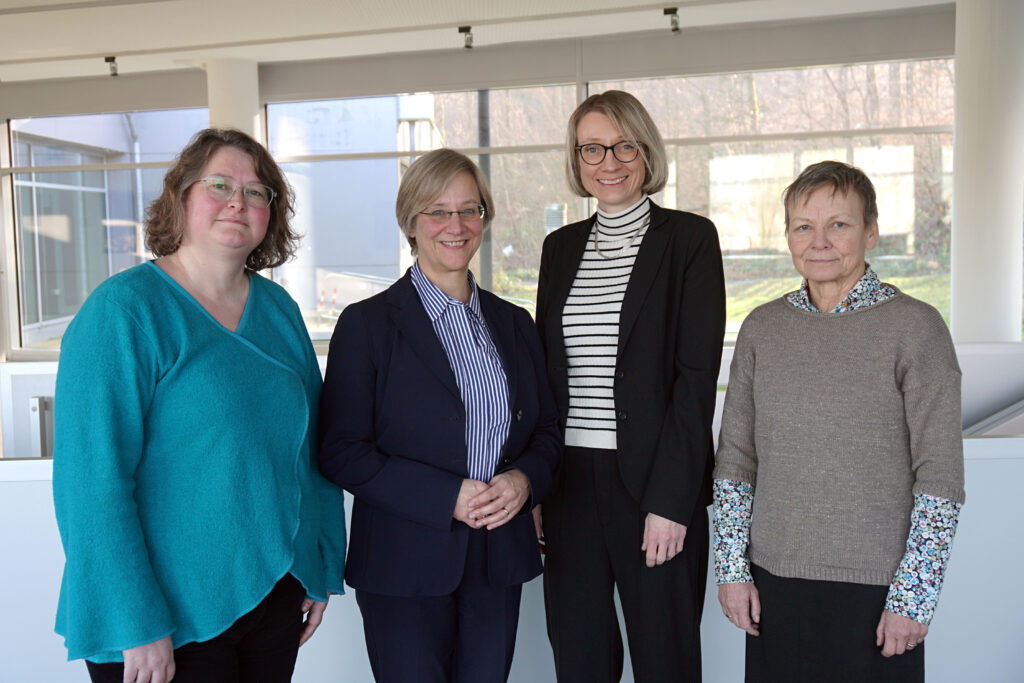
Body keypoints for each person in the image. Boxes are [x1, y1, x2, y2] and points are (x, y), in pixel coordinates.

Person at [52, 128, 346, 683]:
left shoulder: (279, 310)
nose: (239, 201)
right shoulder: (124, 312)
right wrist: (133, 621)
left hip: (273, 596)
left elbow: (309, 451)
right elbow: (90, 484)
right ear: (181, 197)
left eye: (258, 192)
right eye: (220, 185)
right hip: (163, 617)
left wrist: (317, 565)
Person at [713, 160, 965, 681]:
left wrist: (914, 598)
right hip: (772, 587)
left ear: (871, 231)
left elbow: (940, 477)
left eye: (839, 225)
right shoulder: (762, 329)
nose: (819, 241)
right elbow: (736, 459)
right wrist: (731, 570)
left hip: (877, 594)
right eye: (803, 226)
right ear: (787, 236)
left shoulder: (916, 328)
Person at [318, 148, 562, 683]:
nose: (456, 225)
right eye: (438, 211)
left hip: (497, 559)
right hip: (403, 564)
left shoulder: (515, 323)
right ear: (411, 221)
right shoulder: (367, 325)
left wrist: (525, 481)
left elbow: (545, 431)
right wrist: (444, 496)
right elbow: (341, 451)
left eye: (470, 210)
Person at [535, 90, 726, 682]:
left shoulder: (689, 240)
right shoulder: (558, 248)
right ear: (576, 158)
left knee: (665, 659)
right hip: (570, 486)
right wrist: (538, 486)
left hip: (654, 486)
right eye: (592, 147)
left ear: (646, 152)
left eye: (624, 146)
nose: (608, 162)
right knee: (580, 659)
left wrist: (672, 502)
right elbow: (547, 376)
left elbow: (695, 382)